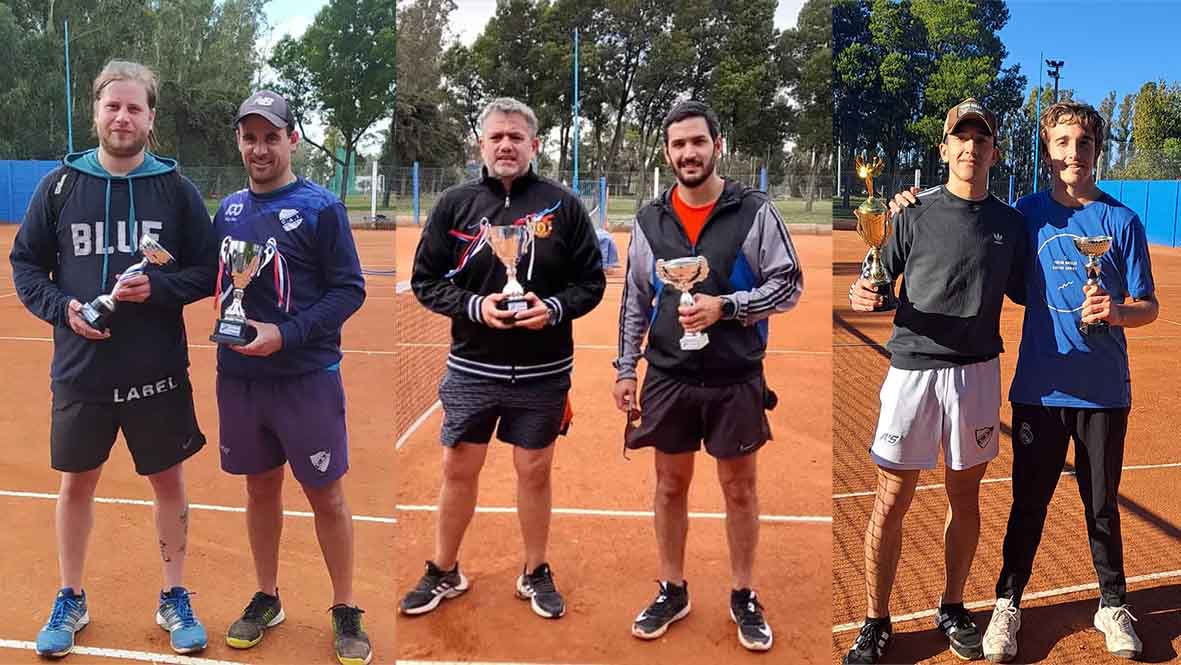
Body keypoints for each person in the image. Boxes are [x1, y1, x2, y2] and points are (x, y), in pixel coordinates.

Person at [10, 60, 217, 657]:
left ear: (151, 118)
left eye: (134, 108)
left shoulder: (175, 189)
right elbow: (27, 265)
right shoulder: (60, 186)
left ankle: (174, 594)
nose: (122, 117)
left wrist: (161, 288)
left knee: (168, 482)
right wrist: (64, 309)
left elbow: (208, 270)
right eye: (112, 106)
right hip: (82, 369)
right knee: (77, 483)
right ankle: (70, 596)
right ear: (96, 112)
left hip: (157, 370)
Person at [400, 97, 606, 620]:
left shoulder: (563, 205)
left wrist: (553, 309)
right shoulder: (454, 205)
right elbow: (425, 280)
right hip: (472, 367)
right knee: (458, 467)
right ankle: (444, 568)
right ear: (482, 145)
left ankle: (535, 571)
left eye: (516, 137)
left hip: (543, 371)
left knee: (534, 470)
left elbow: (591, 283)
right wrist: (476, 306)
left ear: (534, 145)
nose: (506, 145)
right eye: (497, 137)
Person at [841, 98, 1028, 664]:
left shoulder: (1011, 224)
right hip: (913, 372)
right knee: (891, 497)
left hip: (977, 374)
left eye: (981, 139)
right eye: (960, 138)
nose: (971, 147)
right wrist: (862, 291)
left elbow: (1030, 291)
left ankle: (952, 605)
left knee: (964, 496)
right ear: (945, 149)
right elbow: (876, 275)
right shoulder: (910, 212)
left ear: (994, 152)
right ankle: (876, 619)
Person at [612, 100, 803, 652]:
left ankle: (743, 593)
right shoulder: (649, 220)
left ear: (718, 146)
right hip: (668, 374)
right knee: (669, 485)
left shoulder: (755, 211)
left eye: (698, 142)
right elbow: (634, 301)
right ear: (667, 152)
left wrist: (730, 307)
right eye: (679, 144)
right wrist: (626, 369)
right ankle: (672, 588)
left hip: (734, 375)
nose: (689, 153)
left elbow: (788, 283)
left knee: (739, 488)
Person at [211, 91, 371, 665]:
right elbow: (212, 281)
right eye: (250, 137)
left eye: (271, 137)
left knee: (326, 494)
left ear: (293, 140)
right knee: (259, 488)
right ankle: (267, 596)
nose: (260, 149)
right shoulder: (228, 211)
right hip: (239, 378)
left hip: (305, 377)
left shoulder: (322, 207)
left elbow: (349, 289)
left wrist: (286, 334)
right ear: (239, 142)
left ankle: (345, 605)